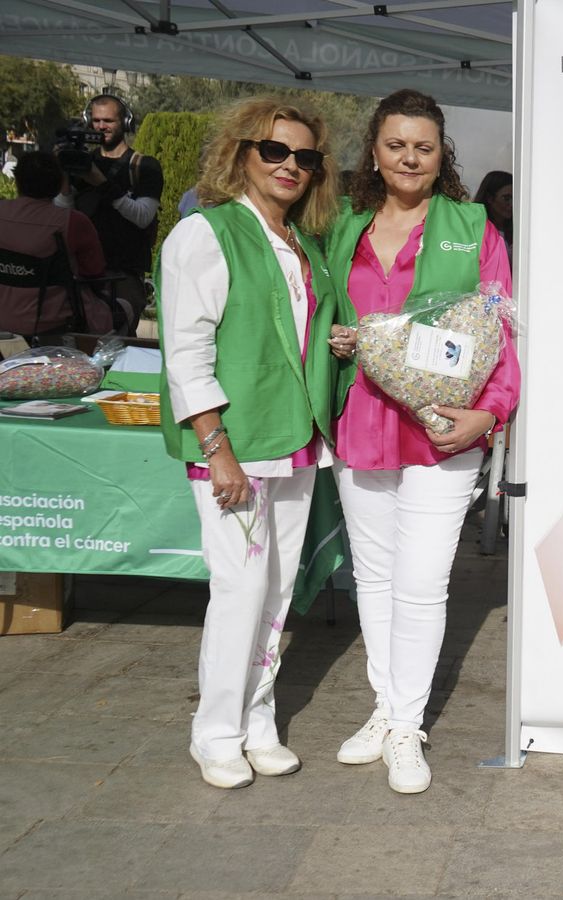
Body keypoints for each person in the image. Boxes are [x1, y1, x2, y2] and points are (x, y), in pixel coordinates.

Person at [324, 89, 519, 795]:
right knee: (373, 578)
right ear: (374, 150)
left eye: (424, 146)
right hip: (361, 421)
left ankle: (407, 725)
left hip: (442, 428)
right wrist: (340, 339)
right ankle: (386, 707)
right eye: (396, 143)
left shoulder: (473, 228)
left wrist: (491, 415)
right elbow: (324, 316)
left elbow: (502, 329)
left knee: (421, 581)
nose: (409, 156)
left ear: (442, 157)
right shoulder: (344, 226)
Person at [158, 97, 342, 789]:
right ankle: (215, 732)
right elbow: (185, 350)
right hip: (234, 445)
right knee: (239, 587)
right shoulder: (205, 234)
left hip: (293, 439)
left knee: (276, 588)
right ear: (241, 153)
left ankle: (256, 719)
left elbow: (293, 337)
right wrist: (216, 447)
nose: (292, 165)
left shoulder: (300, 242)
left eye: (306, 156)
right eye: (275, 151)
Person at [55, 94, 163, 321]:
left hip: (123, 275)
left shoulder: (144, 166)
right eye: (96, 121)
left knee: (119, 341)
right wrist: (64, 178)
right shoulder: (82, 161)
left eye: (109, 121)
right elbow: (63, 215)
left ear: (125, 122)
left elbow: (143, 217)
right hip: (82, 273)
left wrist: (101, 183)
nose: (101, 126)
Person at [0, 151, 108, 340]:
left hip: (4, 319)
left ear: (17, 181)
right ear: (59, 183)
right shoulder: (73, 222)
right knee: (125, 307)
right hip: (55, 324)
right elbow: (95, 274)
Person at [472, 170, 513, 249]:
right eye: (506, 198)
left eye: (515, 199)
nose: (512, 204)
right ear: (489, 198)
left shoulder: (519, 231)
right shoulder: (476, 230)